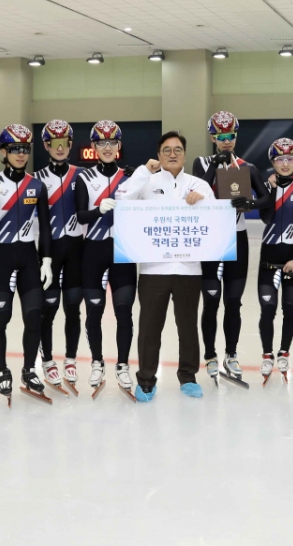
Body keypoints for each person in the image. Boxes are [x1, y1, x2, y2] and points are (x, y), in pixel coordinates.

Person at [118, 130, 214, 401]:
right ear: (158, 155)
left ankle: (188, 376)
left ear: (185, 154)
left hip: (188, 269)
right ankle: (146, 380)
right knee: (150, 328)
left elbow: (215, 220)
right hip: (153, 269)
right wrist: (142, 172)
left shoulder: (199, 185)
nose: (173, 154)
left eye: (178, 150)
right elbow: (122, 200)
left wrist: (203, 202)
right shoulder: (146, 182)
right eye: (167, 150)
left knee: (188, 327)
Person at [0, 125, 54, 403]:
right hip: (3, 257)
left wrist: (46, 259)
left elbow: (45, 226)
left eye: (25, 149)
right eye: (14, 149)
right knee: (1, 318)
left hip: (29, 259)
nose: (21, 154)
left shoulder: (37, 185)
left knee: (34, 316)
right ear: (4, 152)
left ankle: (28, 369)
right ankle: (1, 370)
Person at [192, 111, 268, 384]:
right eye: (221, 136)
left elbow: (266, 199)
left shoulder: (247, 167)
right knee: (211, 301)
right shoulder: (201, 163)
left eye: (231, 135)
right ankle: (210, 354)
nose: (226, 141)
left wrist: (251, 204)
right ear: (212, 137)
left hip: (237, 238)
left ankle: (231, 354)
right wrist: (215, 165)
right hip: (211, 241)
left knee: (233, 303)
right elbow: (199, 189)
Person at [74, 120, 138, 395]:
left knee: (124, 311)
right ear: (94, 146)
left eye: (112, 142)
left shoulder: (131, 177)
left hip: (123, 252)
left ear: (119, 145)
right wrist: (98, 210)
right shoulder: (84, 178)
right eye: (102, 143)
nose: (108, 147)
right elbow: (80, 216)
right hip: (94, 251)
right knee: (94, 311)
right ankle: (97, 362)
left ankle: (122, 365)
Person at [35, 119, 85, 393]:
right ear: (46, 145)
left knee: (73, 308)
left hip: (76, 250)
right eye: (54, 142)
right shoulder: (37, 179)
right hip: (49, 252)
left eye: (64, 142)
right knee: (49, 309)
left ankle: (71, 358)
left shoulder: (83, 175)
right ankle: (47, 360)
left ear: (70, 144)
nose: (60, 147)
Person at [256, 138, 293, 382]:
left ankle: (284, 352)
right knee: (268, 309)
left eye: (290, 159)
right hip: (268, 256)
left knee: (289, 309)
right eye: (280, 159)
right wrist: (270, 190)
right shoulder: (266, 187)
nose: (286, 163)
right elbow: (266, 218)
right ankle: (267, 354)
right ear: (273, 162)